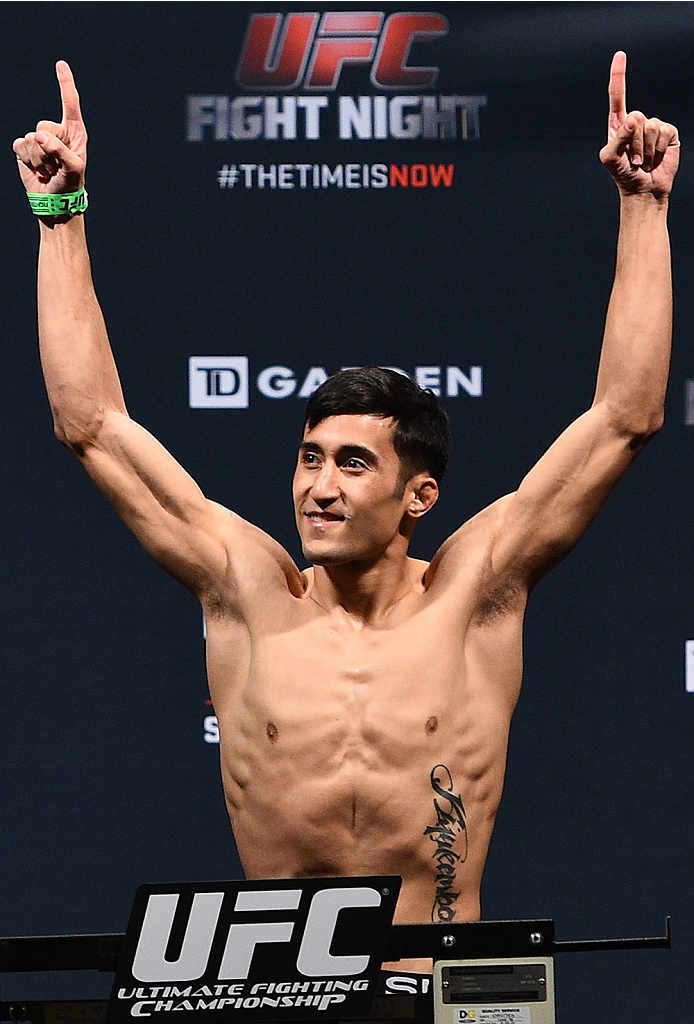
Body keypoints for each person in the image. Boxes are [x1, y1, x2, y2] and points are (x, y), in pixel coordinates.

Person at [14, 53, 678, 974]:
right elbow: (90, 425)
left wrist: (644, 209)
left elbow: (625, 417)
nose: (318, 486)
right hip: (282, 997)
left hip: (444, 995)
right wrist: (59, 215)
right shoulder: (244, 589)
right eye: (309, 458)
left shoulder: (476, 592)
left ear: (419, 494)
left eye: (353, 463)